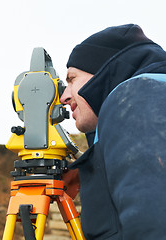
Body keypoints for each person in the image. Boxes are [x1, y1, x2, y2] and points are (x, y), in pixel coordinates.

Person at [60, 24, 166, 239]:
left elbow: (154, 221)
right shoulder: (149, 98)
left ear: (103, 72)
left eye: (72, 79)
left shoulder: (136, 95)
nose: (64, 97)